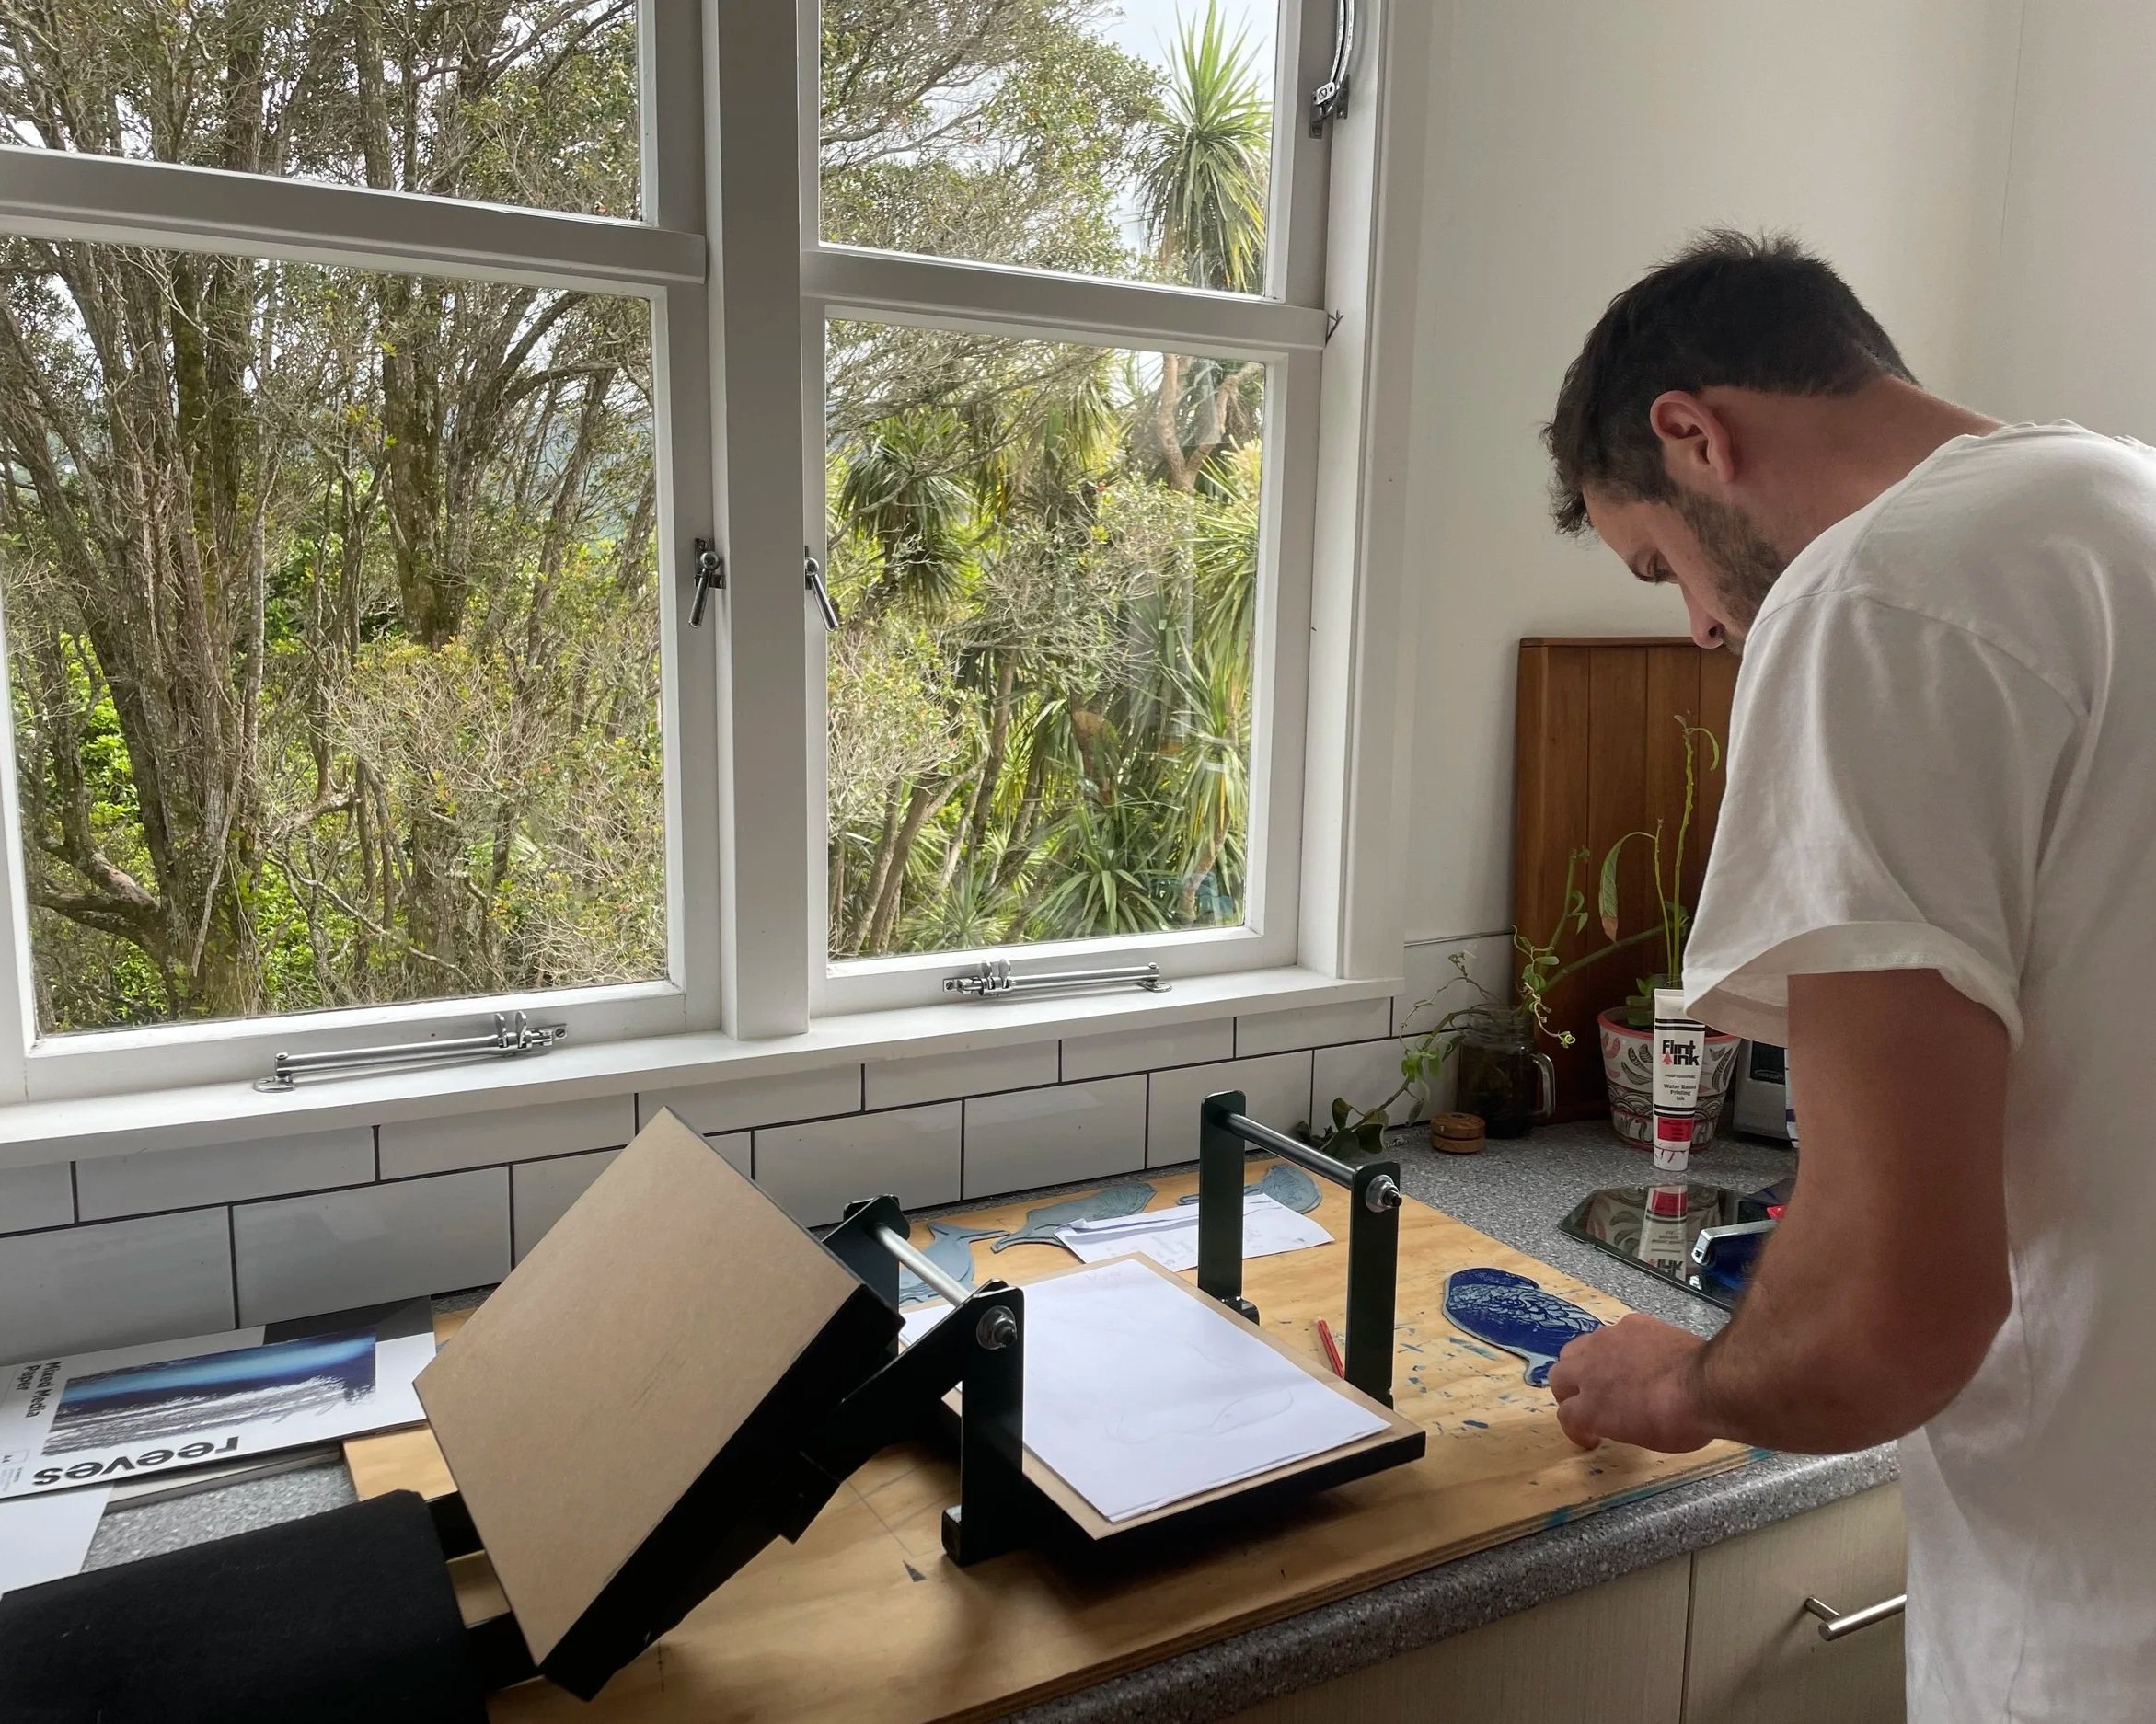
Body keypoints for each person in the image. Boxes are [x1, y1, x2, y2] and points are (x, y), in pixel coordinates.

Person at [1538, 230, 2156, 1722]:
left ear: (1695, 433)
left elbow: (1891, 1312)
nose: (1693, 623)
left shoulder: (1873, 599)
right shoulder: (2123, 509)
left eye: (1660, 558)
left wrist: (1682, 1383)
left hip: (2096, 1621)